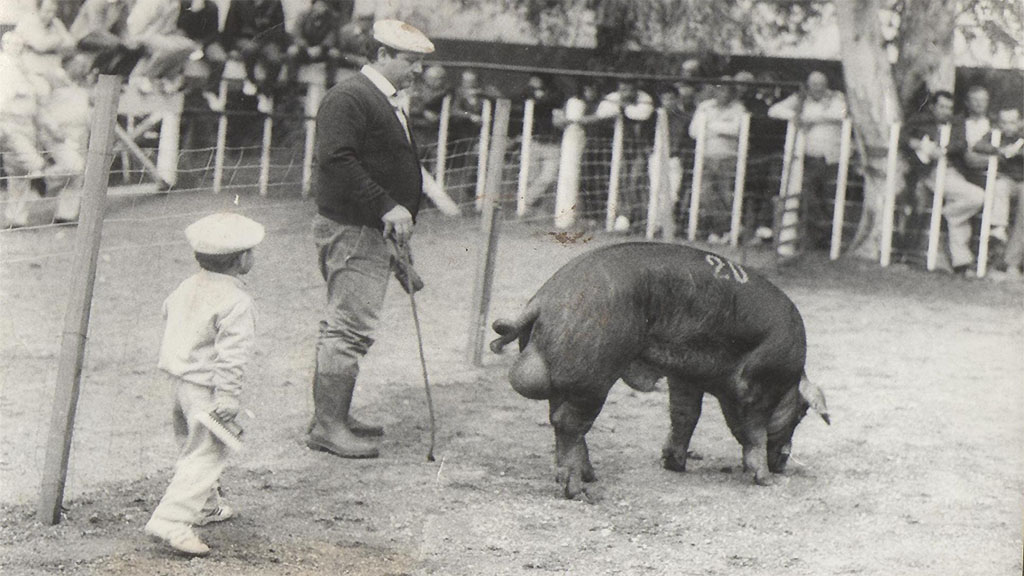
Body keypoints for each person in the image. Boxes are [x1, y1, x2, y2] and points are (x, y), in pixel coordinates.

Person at [308, 19, 434, 459]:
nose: (417, 70)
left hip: (369, 229)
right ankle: (328, 426)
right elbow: (336, 160)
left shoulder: (381, 98)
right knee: (348, 328)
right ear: (382, 55)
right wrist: (385, 204)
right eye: (410, 60)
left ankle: (332, 415)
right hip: (354, 228)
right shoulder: (350, 97)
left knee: (347, 326)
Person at [144, 212, 264, 557]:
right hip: (205, 390)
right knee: (207, 453)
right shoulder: (237, 301)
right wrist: (227, 395)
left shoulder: (186, 286)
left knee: (191, 447)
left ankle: (206, 506)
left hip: (178, 382)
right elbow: (232, 355)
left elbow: (169, 316)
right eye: (251, 252)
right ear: (242, 259)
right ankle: (172, 520)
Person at [903, 90, 986, 275]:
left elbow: (961, 144)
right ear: (932, 106)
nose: (945, 111)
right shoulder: (920, 120)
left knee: (971, 200)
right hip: (930, 171)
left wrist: (943, 149)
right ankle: (962, 261)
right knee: (974, 197)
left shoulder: (956, 122)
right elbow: (903, 137)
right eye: (941, 106)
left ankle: (960, 261)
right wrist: (918, 144)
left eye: (949, 107)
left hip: (951, 171)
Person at [768, 71, 848, 250]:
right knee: (808, 195)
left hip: (831, 158)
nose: (817, 88)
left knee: (825, 197)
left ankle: (825, 237)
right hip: (808, 158)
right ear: (808, 85)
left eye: (821, 84)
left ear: (826, 84)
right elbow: (774, 110)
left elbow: (841, 113)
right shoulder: (801, 98)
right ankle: (816, 237)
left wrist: (812, 118)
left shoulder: (836, 98)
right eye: (813, 84)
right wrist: (795, 116)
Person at [689, 78, 747, 243]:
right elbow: (694, 131)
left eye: (726, 90)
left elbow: (736, 129)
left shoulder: (739, 108)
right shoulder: (705, 106)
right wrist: (720, 128)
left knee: (726, 195)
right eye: (719, 89)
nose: (722, 93)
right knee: (705, 195)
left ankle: (727, 230)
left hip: (728, 158)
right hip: (705, 157)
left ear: (732, 92)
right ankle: (717, 229)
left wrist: (709, 126)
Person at [595, 78, 655, 232]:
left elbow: (641, 115)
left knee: (635, 181)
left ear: (635, 89)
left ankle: (635, 218)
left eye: (629, 89)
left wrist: (622, 108)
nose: (625, 93)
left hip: (640, 147)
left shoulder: (645, 99)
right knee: (620, 179)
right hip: (621, 147)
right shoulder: (613, 97)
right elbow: (602, 112)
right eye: (623, 89)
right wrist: (621, 107)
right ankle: (622, 217)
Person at [1, 31, 46, 228]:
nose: (17, 48)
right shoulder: (4, 66)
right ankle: (43, 180)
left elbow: (38, 89)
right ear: (5, 45)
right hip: (10, 121)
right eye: (13, 45)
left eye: (20, 45)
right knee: (33, 162)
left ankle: (16, 217)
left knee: (17, 173)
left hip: (27, 121)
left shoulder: (23, 66)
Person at [973, 108, 1024, 276]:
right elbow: (978, 145)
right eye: (1004, 122)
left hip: (1023, 182)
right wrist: (999, 150)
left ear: (1019, 122)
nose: (1008, 126)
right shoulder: (995, 135)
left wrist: (1018, 153)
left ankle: (1012, 262)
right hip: (1006, 181)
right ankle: (999, 227)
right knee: (1000, 186)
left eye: (1012, 122)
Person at [222, 0, 289, 107]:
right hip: (245, 39)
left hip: (266, 41)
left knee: (275, 60)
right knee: (250, 50)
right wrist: (230, 49)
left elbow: (280, 28)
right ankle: (250, 81)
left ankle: (265, 93)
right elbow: (230, 27)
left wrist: (277, 46)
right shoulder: (238, 2)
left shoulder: (274, 2)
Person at [124, 0, 199, 93]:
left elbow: (169, 29)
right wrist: (144, 38)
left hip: (159, 37)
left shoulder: (175, 4)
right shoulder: (152, 2)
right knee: (168, 47)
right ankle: (142, 77)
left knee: (189, 46)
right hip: (139, 35)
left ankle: (166, 78)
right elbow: (134, 25)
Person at [517, 74, 565, 213]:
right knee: (530, 176)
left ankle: (526, 202)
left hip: (552, 143)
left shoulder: (555, 95)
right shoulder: (529, 93)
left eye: (536, 80)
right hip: (535, 141)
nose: (532, 83)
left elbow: (551, 101)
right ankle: (530, 210)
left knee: (547, 177)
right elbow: (522, 96)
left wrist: (539, 97)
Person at [67, 0, 142, 79]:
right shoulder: (97, 2)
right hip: (84, 36)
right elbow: (96, 30)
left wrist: (132, 43)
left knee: (135, 50)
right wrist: (120, 42)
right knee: (115, 46)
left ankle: (115, 80)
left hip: (105, 38)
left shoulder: (122, 5)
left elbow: (123, 30)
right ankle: (95, 74)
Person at [177, 0, 227, 110]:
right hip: (184, 40)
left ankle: (210, 90)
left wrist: (202, 44)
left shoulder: (212, 7)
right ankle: (178, 86)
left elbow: (214, 32)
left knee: (219, 58)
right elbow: (180, 27)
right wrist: (194, 12)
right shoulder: (183, 4)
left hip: (205, 43)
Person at [287, 0, 343, 88]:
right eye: (319, 4)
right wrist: (307, 48)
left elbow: (332, 36)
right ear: (313, 4)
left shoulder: (332, 18)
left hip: (322, 51)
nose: (322, 7)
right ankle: (291, 85)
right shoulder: (303, 15)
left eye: (324, 5)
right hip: (305, 51)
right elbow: (297, 34)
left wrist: (321, 47)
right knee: (292, 51)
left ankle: (329, 85)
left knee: (334, 54)